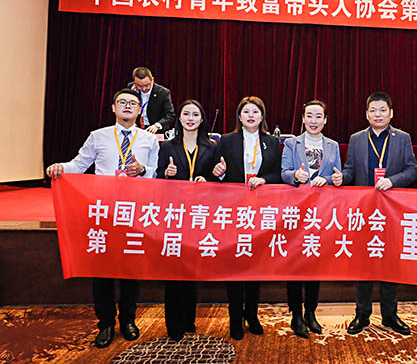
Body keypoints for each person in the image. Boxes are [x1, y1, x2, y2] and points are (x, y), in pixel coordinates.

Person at [46, 88, 159, 348]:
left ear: (139, 110)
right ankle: (105, 323)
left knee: (131, 270)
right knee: (102, 271)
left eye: (133, 103)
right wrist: (61, 167)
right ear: (113, 108)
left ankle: (128, 320)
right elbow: (78, 165)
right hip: (104, 212)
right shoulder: (98, 136)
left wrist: (143, 169)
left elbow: (156, 174)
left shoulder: (148, 139)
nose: (127, 106)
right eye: (122, 102)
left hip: (134, 212)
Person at [332, 92, 417, 336]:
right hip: (365, 211)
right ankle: (362, 314)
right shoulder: (357, 139)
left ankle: (390, 315)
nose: (377, 115)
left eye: (382, 110)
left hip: (392, 211)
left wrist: (392, 181)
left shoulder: (402, 138)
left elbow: (413, 169)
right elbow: (350, 171)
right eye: (373, 110)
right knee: (364, 264)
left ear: (391, 113)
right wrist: (341, 179)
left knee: (390, 263)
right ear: (366, 114)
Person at [211, 96, 282, 340]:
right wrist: (218, 172)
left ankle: (252, 314)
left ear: (262, 117)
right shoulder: (226, 140)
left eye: (255, 112)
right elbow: (214, 172)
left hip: (260, 211)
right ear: (239, 117)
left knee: (254, 264)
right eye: (246, 112)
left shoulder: (272, 142)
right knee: (235, 264)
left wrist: (264, 180)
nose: (251, 115)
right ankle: (234, 317)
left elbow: (278, 174)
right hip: (233, 210)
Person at [281, 100, 342, 338]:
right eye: (309, 116)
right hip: (296, 211)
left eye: (318, 116)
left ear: (325, 120)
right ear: (303, 119)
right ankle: (296, 315)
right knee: (296, 264)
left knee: (315, 261)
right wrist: (295, 175)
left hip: (321, 212)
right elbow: (283, 172)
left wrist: (330, 179)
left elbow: (338, 174)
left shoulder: (333, 145)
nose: (313, 121)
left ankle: (311, 312)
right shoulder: (291, 143)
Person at [156, 100, 216, 342]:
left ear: (202, 119)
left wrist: (210, 178)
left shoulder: (211, 147)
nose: (190, 118)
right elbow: (157, 177)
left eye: (195, 114)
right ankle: (173, 324)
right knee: (174, 270)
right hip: (175, 215)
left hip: (200, 216)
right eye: (186, 114)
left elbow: (216, 178)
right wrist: (166, 174)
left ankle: (189, 319)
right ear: (179, 118)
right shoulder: (168, 147)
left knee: (192, 269)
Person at [128, 66, 175, 134]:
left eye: (147, 85)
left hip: (155, 130)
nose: (144, 89)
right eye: (139, 86)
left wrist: (157, 125)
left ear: (152, 80)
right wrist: (132, 95)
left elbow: (170, 115)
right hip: (136, 129)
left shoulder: (163, 92)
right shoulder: (131, 88)